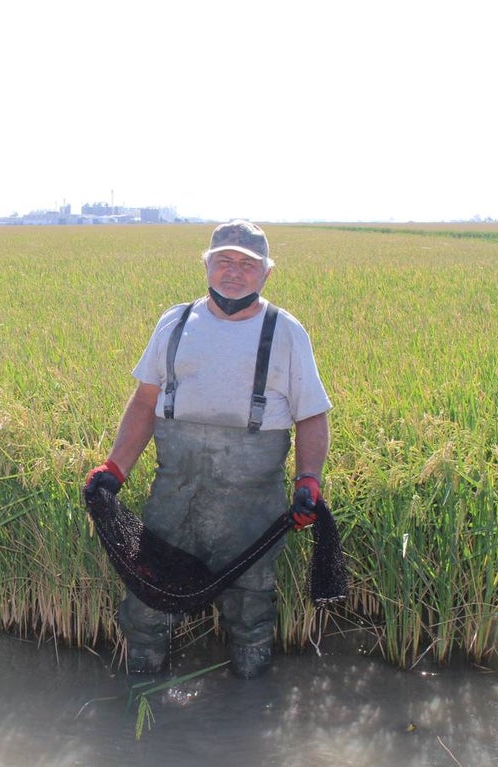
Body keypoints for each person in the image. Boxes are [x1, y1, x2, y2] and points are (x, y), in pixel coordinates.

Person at [84, 220, 332, 679]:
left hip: (253, 505)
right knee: (147, 599)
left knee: (251, 605)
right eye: (224, 261)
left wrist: (308, 481)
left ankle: (249, 702)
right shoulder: (176, 322)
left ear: (266, 274)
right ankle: (141, 693)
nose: (233, 272)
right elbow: (145, 402)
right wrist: (115, 468)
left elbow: (312, 416)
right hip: (174, 495)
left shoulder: (285, 332)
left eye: (246, 264)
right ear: (206, 265)